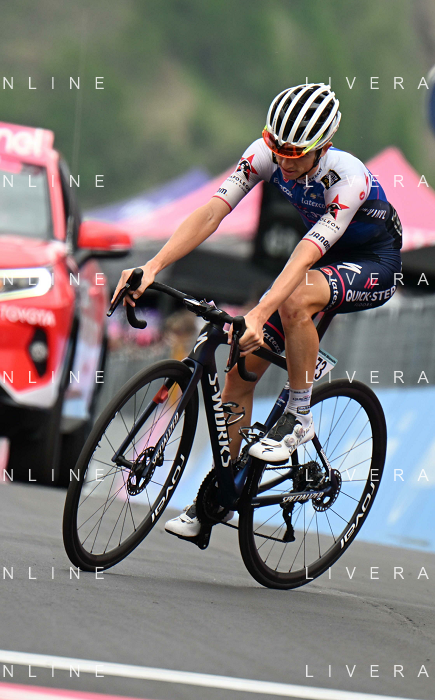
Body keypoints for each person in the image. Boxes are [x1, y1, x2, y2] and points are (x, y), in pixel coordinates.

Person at [113, 83, 404, 541]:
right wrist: (152, 266)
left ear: (322, 147)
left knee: (294, 299)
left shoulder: (348, 178)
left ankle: (300, 415)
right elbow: (212, 212)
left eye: (295, 154)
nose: (283, 161)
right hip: (323, 262)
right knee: (238, 374)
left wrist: (258, 311)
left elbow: (306, 252)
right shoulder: (265, 154)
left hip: (374, 263)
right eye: (277, 148)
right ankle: (224, 492)